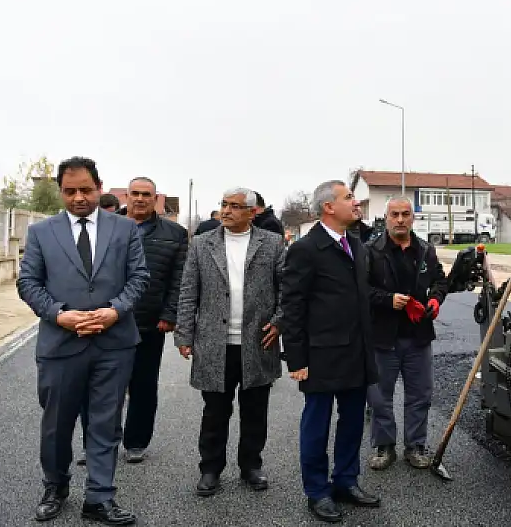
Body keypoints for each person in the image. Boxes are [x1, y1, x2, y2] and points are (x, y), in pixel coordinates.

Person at [16, 156, 150, 525]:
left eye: (85, 190)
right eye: (69, 191)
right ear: (61, 191)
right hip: (61, 344)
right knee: (57, 424)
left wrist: (114, 311)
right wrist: (59, 314)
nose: (78, 197)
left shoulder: (125, 230)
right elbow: (28, 282)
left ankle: (100, 498)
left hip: (114, 343)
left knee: (106, 424)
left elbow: (139, 278)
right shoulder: (42, 232)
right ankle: (55, 486)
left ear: (100, 187)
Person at [174, 187, 285, 497]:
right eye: (223, 205)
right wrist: (184, 334)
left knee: (255, 411)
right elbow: (187, 291)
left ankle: (251, 466)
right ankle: (210, 469)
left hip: (258, 341)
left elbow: (286, 289)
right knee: (214, 412)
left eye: (235, 206)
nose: (226, 211)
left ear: (252, 212)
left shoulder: (272, 243)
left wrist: (279, 322)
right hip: (213, 342)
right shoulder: (201, 244)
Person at [280, 180, 380, 523]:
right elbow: (292, 306)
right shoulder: (306, 249)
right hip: (322, 354)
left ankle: (346, 481)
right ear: (328, 207)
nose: (356, 203)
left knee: (352, 422)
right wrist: (296, 358)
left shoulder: (356, 243)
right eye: (349, 197)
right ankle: (318, 491)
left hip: (357, 352)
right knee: (317, 425)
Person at [365, 196, 448, 470]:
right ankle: (384, 446)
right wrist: (387, 299)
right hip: (383, 337)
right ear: (386, 218)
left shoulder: (425, 249)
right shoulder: (370, 250)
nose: (400, 220)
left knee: (420, 395)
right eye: (394, 214)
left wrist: (436, 299)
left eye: (405, 214)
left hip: (418, 335)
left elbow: (439, 280)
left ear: (413, 217)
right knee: (379, 397)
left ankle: (416, 446)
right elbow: (360, 290)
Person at [117, 177, 188, 463]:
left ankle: (136, 442)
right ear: (127, 196)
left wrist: (169, 315)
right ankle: (96, 441)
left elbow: (179, 278)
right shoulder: (107, 227)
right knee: (101, 386)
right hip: (107, 321)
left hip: (149, 322)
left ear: (155, 198)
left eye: (146, 194)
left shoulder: (174, 234)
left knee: (143, 386)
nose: (140, 199)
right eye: (135, 193)